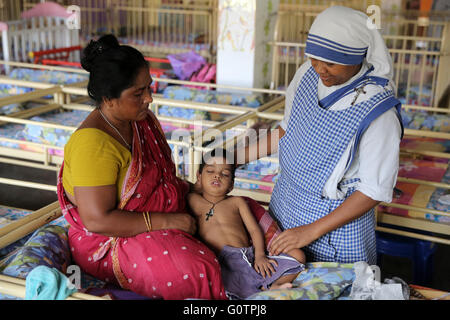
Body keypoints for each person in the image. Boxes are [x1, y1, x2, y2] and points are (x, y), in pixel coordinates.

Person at [57, 34, 226, 300]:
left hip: (156, 215)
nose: (149, 98)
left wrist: (193, 191)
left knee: (232, 213)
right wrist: (168, 220)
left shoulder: (139, 120)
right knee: (194, 269)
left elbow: (159, 177)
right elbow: (97, 220)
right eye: (138, 93)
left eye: (149, 87)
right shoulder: (93, 144)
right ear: (108, 98)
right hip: (110, 239)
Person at [236, 6, 404, 265]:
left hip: (335, 225)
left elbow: (373, 191)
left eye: (331, 63)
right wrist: (235, 157)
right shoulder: (306, 74)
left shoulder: (378, 112)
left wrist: (310, 231)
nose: (320, 69)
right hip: (287, 201)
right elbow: (287, 130)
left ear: (356, 57)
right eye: (314, 59)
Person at [188, 149, 305, 299]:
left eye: (225, 174)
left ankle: (275, 285)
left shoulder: (237, 202)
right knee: (225, 286)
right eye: (210, 171)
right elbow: (177, 188)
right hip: (222, 263)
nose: (217, 175)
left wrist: (260, 255)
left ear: (231, 184)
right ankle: (254, 291)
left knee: (297, 254)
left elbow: (254, 230)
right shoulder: (192, 200)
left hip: (249, 257)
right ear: (199, 176)